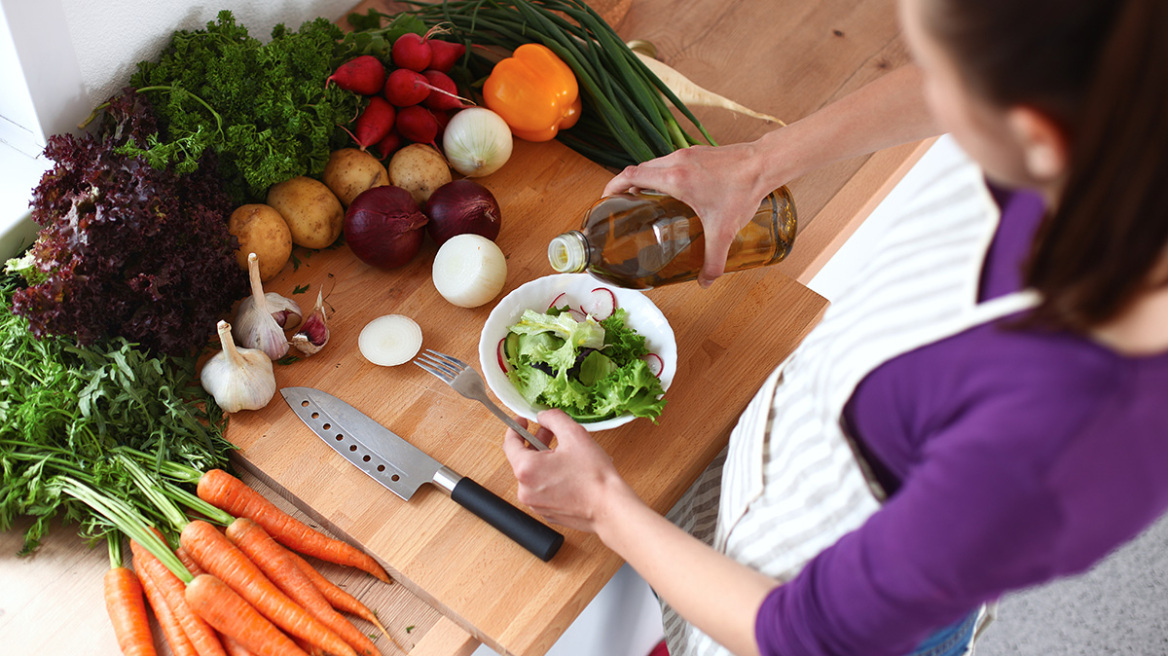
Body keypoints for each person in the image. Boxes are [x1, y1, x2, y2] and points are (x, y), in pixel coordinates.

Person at [503, 0, 1168, 655]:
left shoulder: (1059, 444)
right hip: (782, 470)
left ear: (1040, 136)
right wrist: (760, 161)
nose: (933, 88)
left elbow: (804, 635)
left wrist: (599, 504)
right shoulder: (1124, 88)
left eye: (945, 77)